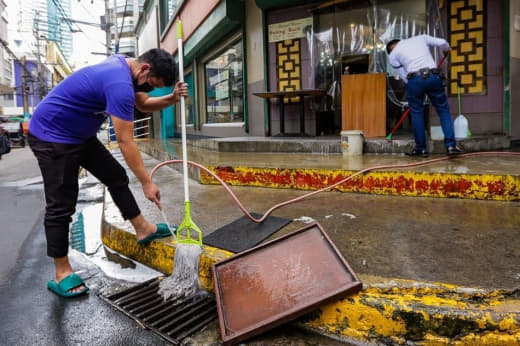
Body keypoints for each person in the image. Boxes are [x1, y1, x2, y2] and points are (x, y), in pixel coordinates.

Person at [28, 48, 188, 298]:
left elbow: (142, 103)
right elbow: (126, 141)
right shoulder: (119, 83)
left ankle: (143, 228)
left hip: (79, 136)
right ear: (145, 69)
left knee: (116, 176)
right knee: (61, 203)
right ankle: (61, 272)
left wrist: (172, 98)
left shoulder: (129, 70)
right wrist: (147, 182)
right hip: (52, 136)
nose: (149, 89)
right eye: (151, 84)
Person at [386, 35, 464, 157]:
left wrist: (415, 84)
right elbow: (443, 42)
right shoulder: (420, 38)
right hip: (433, 76)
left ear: (392, 48)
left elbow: (404, 76)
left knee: (417, 114)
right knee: (443, 110)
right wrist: (446, 48)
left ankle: (421, 149)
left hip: (414, 79)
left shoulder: (393, 55)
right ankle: (451, 146)